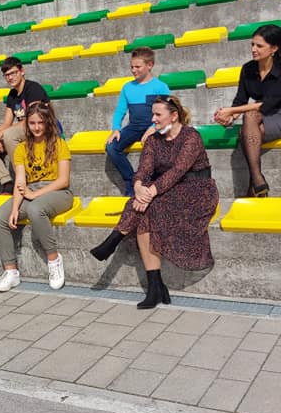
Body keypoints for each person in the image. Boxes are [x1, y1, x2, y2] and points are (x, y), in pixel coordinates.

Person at [93, 96, 217, 308]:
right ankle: (155, 287)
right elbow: (144, 169)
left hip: (196, 190)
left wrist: (149, 193)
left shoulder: (191, 137)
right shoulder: (153, 140)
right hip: (164, 188)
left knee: (150, 206)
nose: (153, 119)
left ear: (174, 116)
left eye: (158, 114)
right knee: (144, 211)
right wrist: (138, 186)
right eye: (153, 114)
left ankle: (115, 239)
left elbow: (178, 171)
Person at [213, 24, 281, 197]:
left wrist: (231, 110)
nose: (253, 49)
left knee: (246, 131)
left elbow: (268, 104)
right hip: (261, 115)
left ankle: (254, 182)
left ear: (274, 48)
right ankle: (259, 182)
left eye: (259, 46)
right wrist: (230, 118)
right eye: (252, 44)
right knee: (248, 127)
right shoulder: (248, 69)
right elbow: (241, 99)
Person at [0, 102, 72, 292]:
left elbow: (63, 181)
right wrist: (14, 209)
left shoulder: (59, 144)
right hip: (31, 191)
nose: (36, 127)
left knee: (36, 209)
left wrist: (34, 194)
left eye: (40, 123)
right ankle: (11, 271)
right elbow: (20, 181)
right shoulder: (21, 148)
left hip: (58, 192)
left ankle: (54, 260)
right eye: (32, 123)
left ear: (48, 122)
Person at [0, 57, 50, 195]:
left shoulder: (33, 88)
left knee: (9, 135)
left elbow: (33, 118)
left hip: (39, 129)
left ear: (22, 71)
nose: (10, 78)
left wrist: (3, 134)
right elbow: (6, 122)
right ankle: (7, 182)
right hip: (23, 131)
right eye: (6, 75)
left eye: (13, 73)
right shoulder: (12, 94)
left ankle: (24, 179)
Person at [105, 47, 171, 196]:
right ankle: (131, 180)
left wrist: (153, 127)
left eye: (137, 67)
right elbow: (120, 110)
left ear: (150, 65)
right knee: (111, 146)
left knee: (155, 147)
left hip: (155, 126)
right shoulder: (127, 87)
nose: (133, 70)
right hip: (134, 127)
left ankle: (153, 183)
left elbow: (167, 112)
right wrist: (116, 128)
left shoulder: (160, 86)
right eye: (132, 67)